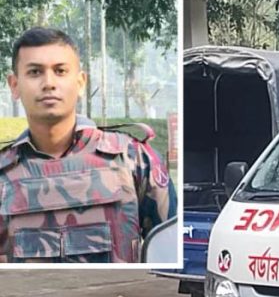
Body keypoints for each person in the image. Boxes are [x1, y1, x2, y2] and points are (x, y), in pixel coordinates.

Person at [0, 27, 177, 263]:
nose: (49, 83)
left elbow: (171, 249)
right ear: (14, 85)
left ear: (81, 82)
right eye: (35, 72)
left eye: (60, 71)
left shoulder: (132, 158)